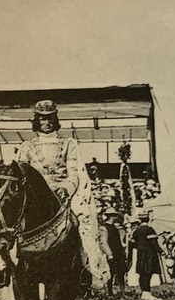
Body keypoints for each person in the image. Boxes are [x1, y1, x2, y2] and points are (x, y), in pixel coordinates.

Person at [15, 99, 107, 288]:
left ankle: (85, 267)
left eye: (50, 119)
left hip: (62, 192)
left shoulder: (68, 143)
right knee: (7, 223)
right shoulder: (26, 146)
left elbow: (74, 171)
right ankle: (1, 268)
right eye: (42, 119)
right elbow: (20, 173)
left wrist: (66, 188)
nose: (46, 123)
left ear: (55, 120)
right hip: (34, 195)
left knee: (82, 221)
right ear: (37, 121)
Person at [128, 210, 163, 300]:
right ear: (148, 219)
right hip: (149, 254)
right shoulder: (149, 230)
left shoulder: (136, 231)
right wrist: (161, 252)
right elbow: (154, 243)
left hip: (140, 254)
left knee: (142, 274)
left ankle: (144, 293)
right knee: (148, 273)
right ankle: (147, 293)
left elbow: (132, 244)